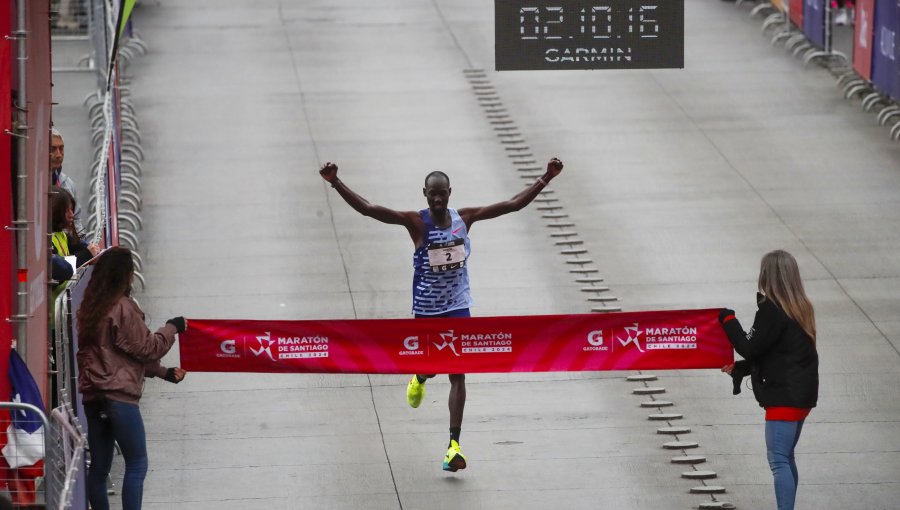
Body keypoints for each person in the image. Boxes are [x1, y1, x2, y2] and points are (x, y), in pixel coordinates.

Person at [319, 157, 564, 471]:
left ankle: (453, 447)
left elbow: (513, 204)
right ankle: (420, 376)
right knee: (433, 367)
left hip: (458, 307)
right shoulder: (416, 222)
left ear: (450, 193)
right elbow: (369, 209)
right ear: (424, 193)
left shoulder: (465, 218)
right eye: (432, 193)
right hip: (427, 311)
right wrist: (336, 182)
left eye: (442, 193)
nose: (437, 198)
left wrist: (547, 176)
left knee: (458, 373)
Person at [75, 247, 188, 510]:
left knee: (100, 470)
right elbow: (148, 347)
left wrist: (162, 373)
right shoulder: (123, 308)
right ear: (126, 275)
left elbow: (115, 354)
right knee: (137, 463)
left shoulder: (90, 308)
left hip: (94, 397)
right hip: (119, 398)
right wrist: (172, 328)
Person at [719, 250, 819, 510]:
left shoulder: (771, 311)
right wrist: (742, 369)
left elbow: (750, 347)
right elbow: (777, 352)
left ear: (766, 276)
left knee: (778, 460)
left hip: (784, 397)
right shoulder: (801, 308)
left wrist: (728, 320)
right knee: (786, 457)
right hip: (801, 395)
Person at [50, 128, 85, 237]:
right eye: (53, 149)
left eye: (61, 148)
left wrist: (83, 242)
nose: (59, 155)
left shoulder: (68, 184)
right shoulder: (31, 184)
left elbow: (76, 219)